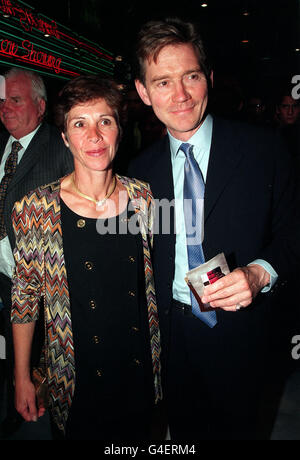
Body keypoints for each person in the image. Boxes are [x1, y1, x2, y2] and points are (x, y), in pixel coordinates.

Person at [128, 17, 300, 440]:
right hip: (171, 339)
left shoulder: (264, 150)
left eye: (190, 76)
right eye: (162, 82)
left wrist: (260, 273)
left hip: (243, 334)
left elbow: (295, 234)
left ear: (209, 78)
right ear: (143, 92)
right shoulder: (138, 172)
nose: (181, 95)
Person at [11, 75, 162, 440]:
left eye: (104, 121)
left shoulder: (144, 197)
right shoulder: (35, 209)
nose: (94, 136)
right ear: (65, 136)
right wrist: (21, 378)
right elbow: (24, 301)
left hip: (140, 369)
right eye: (80, 123)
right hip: (76, 380)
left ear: (119, 132)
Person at [0, 67, 73, 437]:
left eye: (15, 99)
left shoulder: (61, 149)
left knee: (30, 372)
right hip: (1, 277)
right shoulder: (1, 144)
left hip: (38, 290)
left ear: (41, 106)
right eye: (1, 100)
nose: (5, 108)